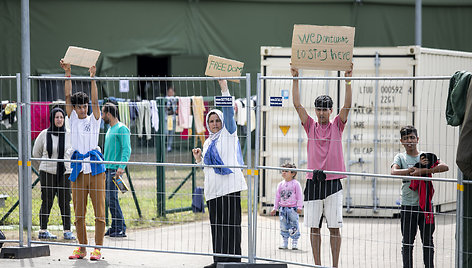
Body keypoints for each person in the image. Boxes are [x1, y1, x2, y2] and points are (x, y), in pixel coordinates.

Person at [291, 64, 352, 268]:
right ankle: (317, 265)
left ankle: (334, 266)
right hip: (313, 182)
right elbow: (297, 105)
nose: (322, 112)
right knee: (313, 227)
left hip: (333, 183)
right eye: (318, 108)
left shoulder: (337, 125)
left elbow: (347, 106)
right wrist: (295, 79)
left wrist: (348, 81)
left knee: (334, 228)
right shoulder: (310, 126)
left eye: (325, 109)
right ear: (315, 110)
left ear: (331, 110)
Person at [192, 80, 247, 268]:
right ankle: (219, 262)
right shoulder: (208, 142)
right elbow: (208, 169)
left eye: (217, 121)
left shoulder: (228, 134)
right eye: (211, 121)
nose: (214, 124)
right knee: (217, 228)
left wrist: (224, 88)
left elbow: (230, 112)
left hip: (229, 190)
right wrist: (200, 159)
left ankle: (233, 263)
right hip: (214, 193)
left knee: (231, 228)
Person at [60, 59, 106, 261]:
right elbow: (67, 95)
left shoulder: (94, 119)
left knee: (99, 211)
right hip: (78, 169)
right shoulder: (71, 119)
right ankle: (82, 247)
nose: (83, 110)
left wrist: (93, 78)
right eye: (79, 107)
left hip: (95, 169)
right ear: (74, 108)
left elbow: (96, 102)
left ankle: (98, 248)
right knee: (78, 211)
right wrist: (68, 73)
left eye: (85, 106)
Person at [391, 125, 449, 268]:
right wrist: (411, 171)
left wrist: (424, 170)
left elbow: (444, 166)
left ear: (417, 139)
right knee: (407, 242)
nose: (409, 141)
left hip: (426, 207)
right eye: (405, 138)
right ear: (401, 141)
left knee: (428, 241)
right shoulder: (400, 157)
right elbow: (393, 171)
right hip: (408, 206)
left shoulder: (426, 156)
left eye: (412, 138)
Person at [32, 107, 75, 240]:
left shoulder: (69, 134)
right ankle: (43, 230)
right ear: (52, 119)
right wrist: (46, 164)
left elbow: (73, 151)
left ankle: (67, 231)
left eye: (61, 117)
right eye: (57, 117)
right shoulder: (45, 134)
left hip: (65, 173)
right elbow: (36, 153)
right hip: (47, 172)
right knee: (47, 200)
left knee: (65, 201)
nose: (59, 119)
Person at [102, 102, 131, 238]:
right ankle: (115, 226)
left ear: (109, 114)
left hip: (114, 170)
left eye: (103, 113)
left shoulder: (121, 128)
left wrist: (121, 166)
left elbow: (126, 148)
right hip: (107, 169)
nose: (102, 116)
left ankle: (120, 227)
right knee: (109, 199)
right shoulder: (109, 129)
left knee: (112, 199)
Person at [270, 163, 303, 250]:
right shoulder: (280, 184)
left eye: (286, 171)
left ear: (293, 173)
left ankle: (294, 242)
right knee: (283, 225)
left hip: (292, 209)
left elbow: (300, 196)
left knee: (294, 225)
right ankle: (285, 241)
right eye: (283, 171)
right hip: (282, 209)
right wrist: (275, 208)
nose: (283, 173)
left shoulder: (296, 184)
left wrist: (299, 207)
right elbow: (277, 197)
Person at [166, 86, 178, 152]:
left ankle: (169, 147)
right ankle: (163, 146)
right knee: (165, 133)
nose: (170, 93)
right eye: (169, 91)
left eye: (172, 92)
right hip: (166, 119)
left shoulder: (175, 99)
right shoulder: (165, 99)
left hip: (173, 118)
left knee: (171, 133)